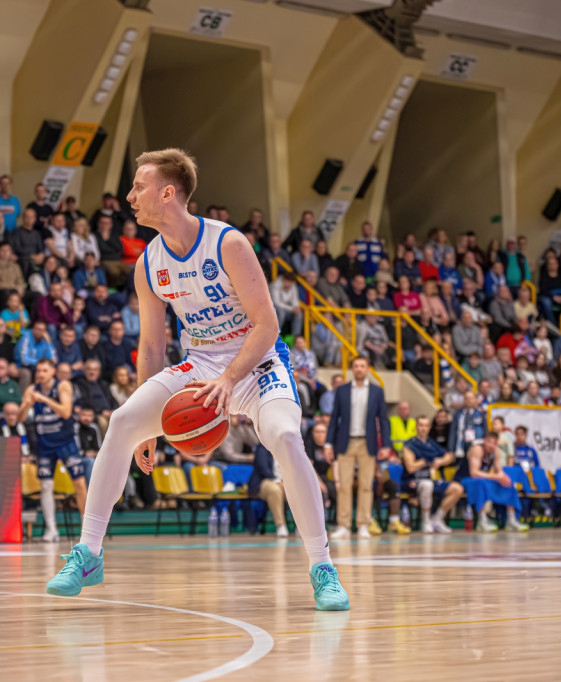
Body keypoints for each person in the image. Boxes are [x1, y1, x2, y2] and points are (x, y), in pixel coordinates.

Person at [45, 149, 348, 610]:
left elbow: (267, 325)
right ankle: (88, 554)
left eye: (139, 187)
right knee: (124, 421)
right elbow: (151, 347)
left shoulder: (228, 244)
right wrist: (147, 429)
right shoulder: (148, 263)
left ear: (168, 193)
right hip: (203, 363)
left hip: (258, 363)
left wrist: (230, 378)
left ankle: (322, 567)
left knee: (287, 438)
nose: (130, 197)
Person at [325, 355, 393, 540]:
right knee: (344, 486)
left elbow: (383, 420)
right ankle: (344, 525)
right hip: (345, 442)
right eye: (356, 366)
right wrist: (328, 443)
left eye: (362, 366)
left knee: (366, 485)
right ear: (352, 369)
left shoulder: (377, 391)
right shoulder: (342, 390)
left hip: (367, 443)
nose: (359, 369)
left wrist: (386, 445)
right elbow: (334, 419)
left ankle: (363, 524)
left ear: (368, 369)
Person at [21, 357, 86, 542]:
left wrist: (44, 399)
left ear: (53, 372)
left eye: (44, 370)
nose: (40, 374)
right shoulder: (31, 389)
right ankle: (51, 530)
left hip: (65, 441)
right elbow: (20, 418)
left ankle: (87, 530)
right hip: (45, 443)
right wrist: (26, 405)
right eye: (38, 370)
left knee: (79, 484)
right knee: (46, 486)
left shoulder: (63, 386)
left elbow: (66, 412)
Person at [455, 431, 529, 533]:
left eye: (494, 443)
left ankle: (511, 520)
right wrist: (496, 477)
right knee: (481, 484)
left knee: (508, 483)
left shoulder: (495, 450)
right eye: (489, 442)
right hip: (465, 479)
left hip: (482, 479)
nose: (491, 445)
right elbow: (474, 473)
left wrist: (503, 477)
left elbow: (499, 470)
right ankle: (482, 521)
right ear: (484, 441)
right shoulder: (477, 449)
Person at [400, 416, 463, 534]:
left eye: (426, 425)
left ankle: (437, 519)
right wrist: (424, 462)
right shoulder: (409, 444)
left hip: (431, 478)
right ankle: (426, 521)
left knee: (457, 489)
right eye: (421, 425)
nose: (423, 428)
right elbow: (410, 467)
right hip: (413, 480)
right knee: (427, 485)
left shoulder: (432, 443)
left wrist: (440, 461)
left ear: (429, 427)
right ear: (416, 427)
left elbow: (450, 456)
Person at [248, 443, 290, 537]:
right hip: (265, 481)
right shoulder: (263, 446)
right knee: (275, 490)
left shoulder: (290, 447)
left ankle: (301, 527)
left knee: (300, 492)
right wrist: (277, 481)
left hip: (286, 482)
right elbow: (263, 468)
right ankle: (280, 525)